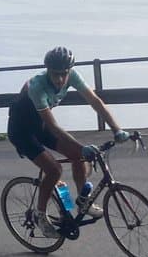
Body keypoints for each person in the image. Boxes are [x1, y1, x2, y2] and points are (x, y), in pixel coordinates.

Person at [7, 47, 131, 237]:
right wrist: (82, 147)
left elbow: (95, 101)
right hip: (21, 131)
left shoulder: (73, 75)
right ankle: (41, 215)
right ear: (47, 70)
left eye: (63, 74)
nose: (60, 79)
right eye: (55, 75)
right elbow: (54, 126)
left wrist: (117, 129)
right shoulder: (36, 86)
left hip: (40, 125)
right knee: (54, 169)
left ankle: (83, 201)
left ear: (69, 71)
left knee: (78, 157)